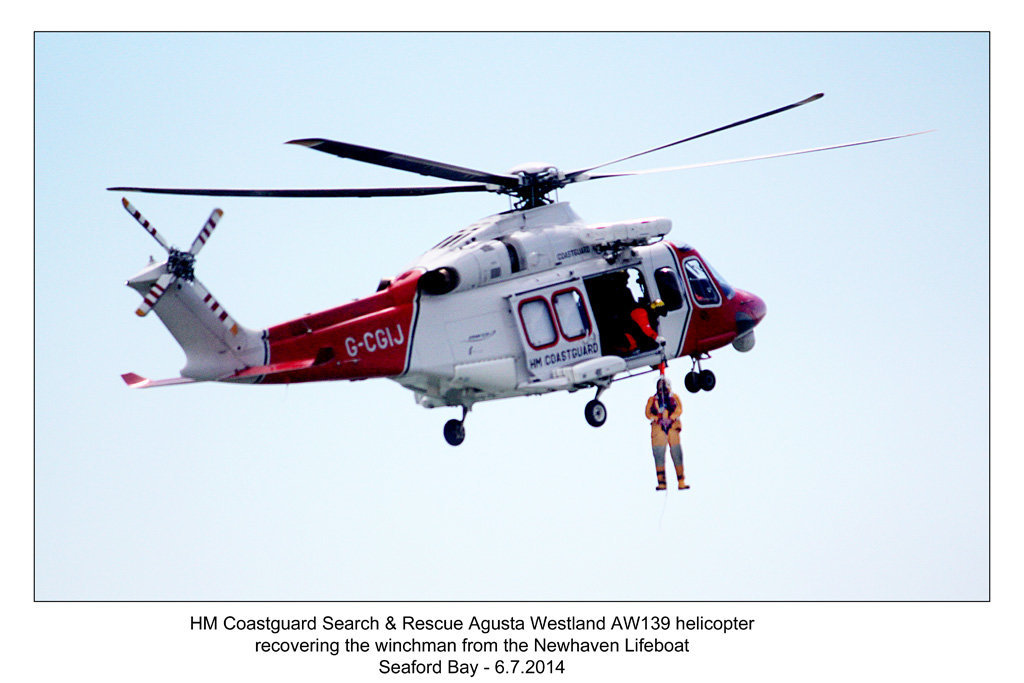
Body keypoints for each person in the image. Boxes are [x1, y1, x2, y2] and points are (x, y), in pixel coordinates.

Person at [645, 377, 688, 490]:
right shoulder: (652, 400)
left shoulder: (674, 397)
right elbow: (648, 413)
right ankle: (661, 482)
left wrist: (671, 418)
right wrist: (657, 419)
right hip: (658, 428)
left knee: (677, 454)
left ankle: (681, 481)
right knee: (658, 455)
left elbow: (679, 409)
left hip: (672, 427)